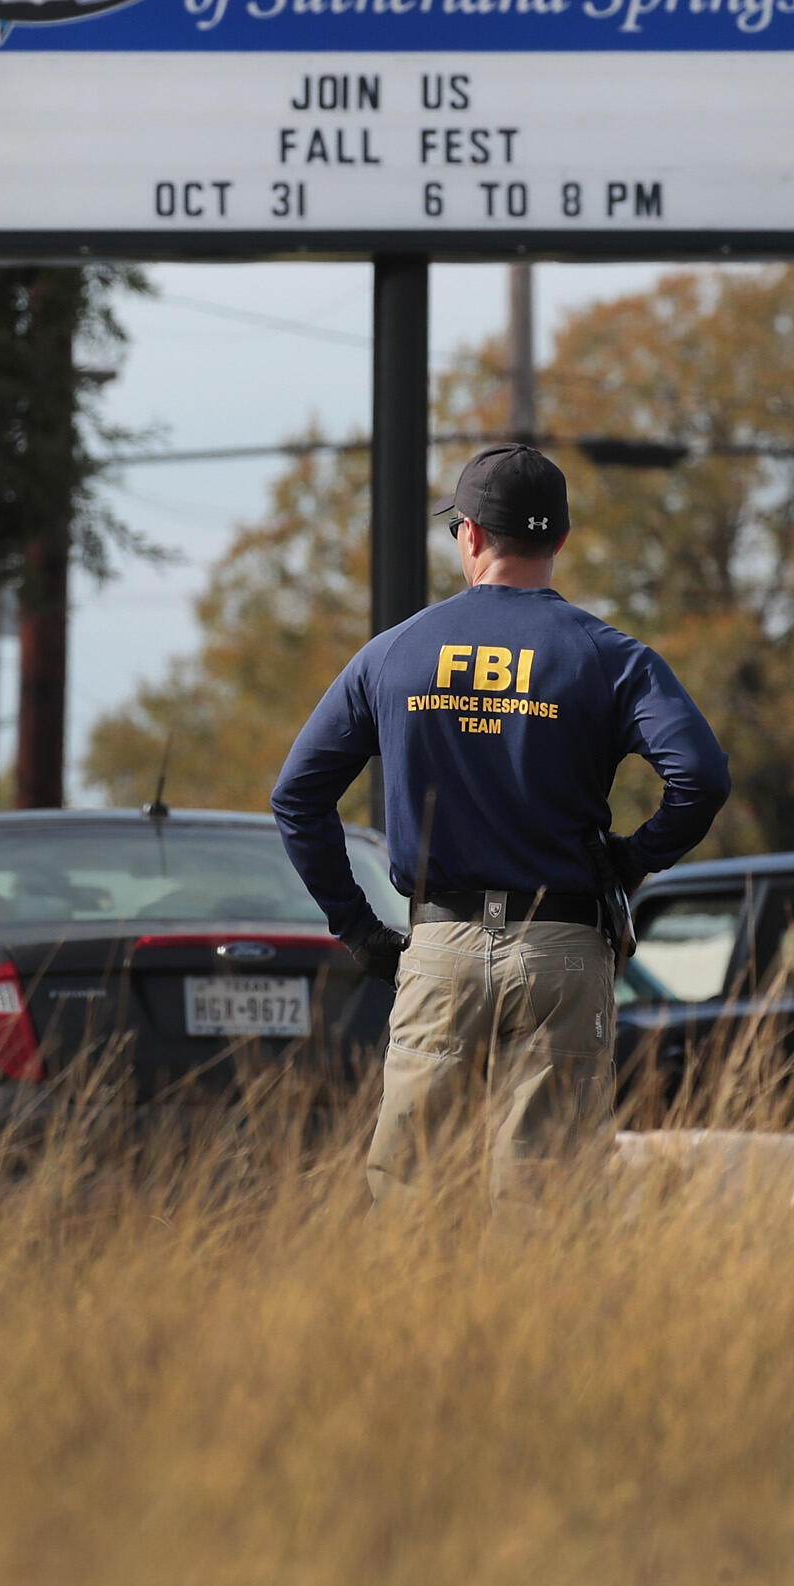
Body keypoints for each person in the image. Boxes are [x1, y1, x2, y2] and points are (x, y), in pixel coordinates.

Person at [273, 443, 729, 1205]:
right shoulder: (609, 657)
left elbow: (297, 797)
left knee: (411, 1204)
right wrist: (632, 859)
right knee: (547, 1207)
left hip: (439, 949)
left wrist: (357, 927)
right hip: (562, 948)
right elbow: (702, 777)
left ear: (473, 535)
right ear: (559, 541)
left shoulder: (395, 654)